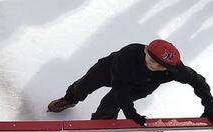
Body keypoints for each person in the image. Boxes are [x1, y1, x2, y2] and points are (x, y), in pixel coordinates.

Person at [47, 40, 213, 124]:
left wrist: (209, 105)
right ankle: (70, 99)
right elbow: (120, 87)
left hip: (140, 86)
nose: (154, 65)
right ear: (146, 50)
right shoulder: (129, 53)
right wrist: (131, 113)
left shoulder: (175, 70)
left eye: (160, 65)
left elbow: (199, 82)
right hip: (110, 71)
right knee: (83, 86)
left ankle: (98, 127)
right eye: (152, 59)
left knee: (109, 105)